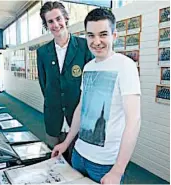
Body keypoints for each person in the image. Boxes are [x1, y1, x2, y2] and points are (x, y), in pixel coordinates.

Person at [52, 8, 141, 184]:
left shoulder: (125, 66)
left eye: (103, 34)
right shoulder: (88, 67)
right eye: (91, 35)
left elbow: (134, 120)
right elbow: (81, 109)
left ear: (114, 36)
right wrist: (67, 142)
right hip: (79, 154)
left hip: (104, 163)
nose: (97, 41)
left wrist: (118, 170)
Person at [37, 0, 93, 161]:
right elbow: (44, 84)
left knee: (76, 163)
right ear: (46, 24)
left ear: (66, 18)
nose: (55, 24)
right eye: (50, 21)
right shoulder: (43, 52)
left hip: (78, 117)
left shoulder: (84, 46)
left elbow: (89, 84)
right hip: (53, 117)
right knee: (54, 163)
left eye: (58, 19)